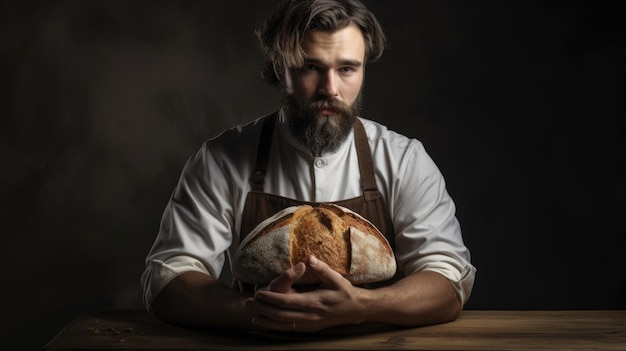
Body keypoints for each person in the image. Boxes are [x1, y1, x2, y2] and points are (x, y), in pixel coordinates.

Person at [142, 0, 476, 333]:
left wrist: (364, 306)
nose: (330, 89)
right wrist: (254, 311)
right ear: (278, 68)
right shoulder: (220, 160)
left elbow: (448, 284)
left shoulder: (404, 160)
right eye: (310, 67)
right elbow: (167, 279)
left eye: (347, 69)